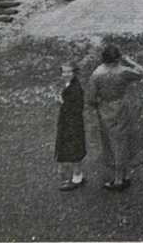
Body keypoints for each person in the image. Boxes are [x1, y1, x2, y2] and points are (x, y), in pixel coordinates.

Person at [88, 45, 143, 192]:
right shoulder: (123, 71)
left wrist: (98, 103)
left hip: (105, 108)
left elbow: (91, 98)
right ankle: (123, 173)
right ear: (117, 58)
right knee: (122, 139)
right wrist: (128, 61)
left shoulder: (97, 73)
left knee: (110, 141)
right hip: (121, 106)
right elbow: (140, 71)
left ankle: (117, 178)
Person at [55, 64, 86, 192]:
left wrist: (62, 103)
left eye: (69, 71)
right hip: (68, 122)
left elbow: (77, 108)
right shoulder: (70, 85)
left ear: (74, 72)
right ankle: (77, 175)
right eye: (64, 72)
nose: (66, 74)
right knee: (72, 147)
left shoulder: (75, 88)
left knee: (74, 148)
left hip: (72, 123)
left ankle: (77, 178)